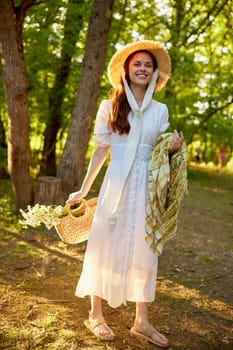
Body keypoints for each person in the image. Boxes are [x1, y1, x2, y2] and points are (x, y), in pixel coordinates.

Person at [67, 40, 184, 347]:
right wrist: (84, 188)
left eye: (148, 65)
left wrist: (173, 150)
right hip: (115, 185)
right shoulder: (110, 107)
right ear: (126, 71)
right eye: (137, 64)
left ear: (155, 72)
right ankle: (96, 314)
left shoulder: (161, 110)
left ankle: (141, 321)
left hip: (147, 188)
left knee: (145, 251)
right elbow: (100, 152)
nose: (143, 69)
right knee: (103, 245)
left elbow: (160, 155)